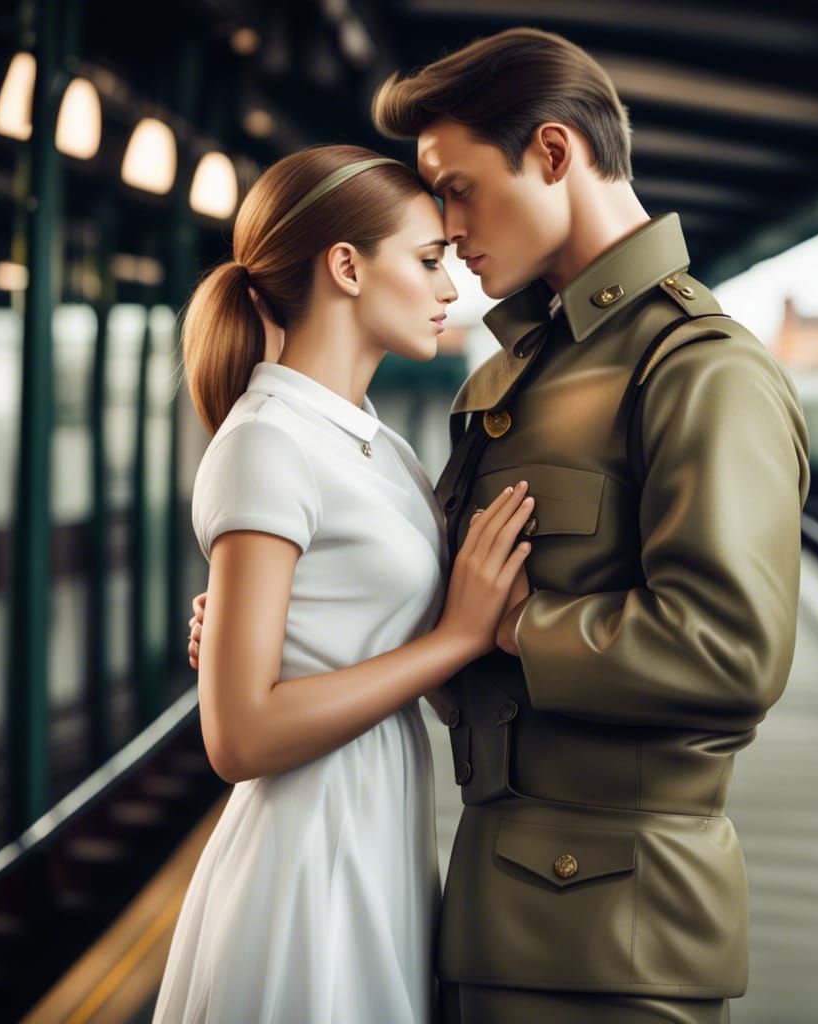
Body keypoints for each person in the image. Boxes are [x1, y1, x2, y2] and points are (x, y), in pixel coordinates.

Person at [189, 27, 811, 1024]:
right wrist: (299, 631)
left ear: (554, 153)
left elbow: (730, 651)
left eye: (458, 188)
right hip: (474, 907)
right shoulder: (509, 378)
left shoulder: (700, 369)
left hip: (618, 936)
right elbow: (446, 647)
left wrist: (511, 627)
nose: (447, 222)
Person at [153, 143, 537, 1024]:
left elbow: (373, 647)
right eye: (429, 260)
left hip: (378, 831)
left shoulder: (376, 445)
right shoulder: (267, 441)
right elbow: (238, 737)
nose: (451, 288)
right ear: (346, 267)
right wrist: (456, 637)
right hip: (307, 856)